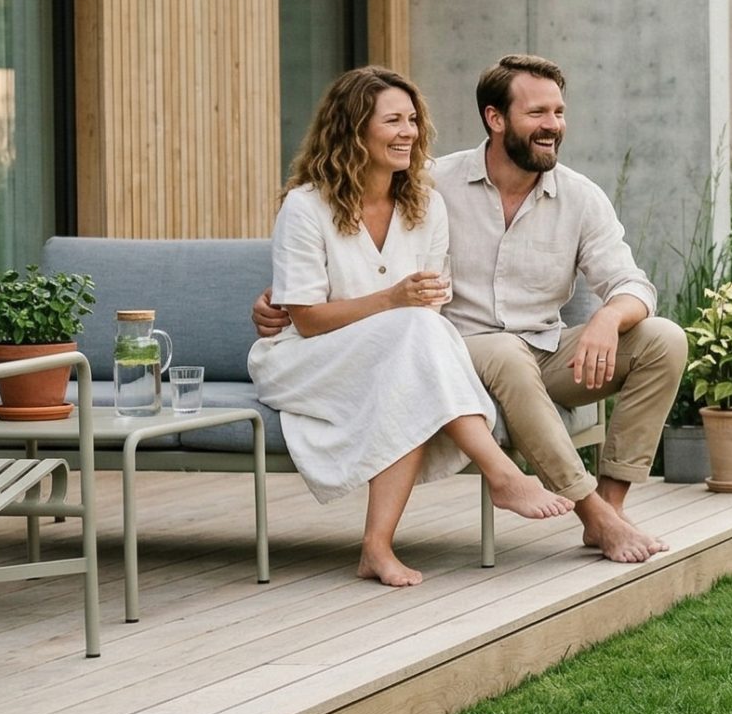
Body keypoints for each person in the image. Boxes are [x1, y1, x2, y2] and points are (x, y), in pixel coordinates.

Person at [257, 54, 687, 564]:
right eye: (537, 114)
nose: (553, 126)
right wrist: (275, 300)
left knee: (664, 338)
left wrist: (607, 318)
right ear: (495, 118)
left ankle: (609, 510)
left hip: (543, 352)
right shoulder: (435, 183)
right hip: (464, 351)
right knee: (504, 351)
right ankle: (588, 509)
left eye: (559, 112)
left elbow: (632, 282)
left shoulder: (572, 197)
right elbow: (334, 274)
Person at [252, 67, 574, 589]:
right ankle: (503, 475)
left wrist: (405, 307)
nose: (409, 132)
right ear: (354, 129)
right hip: (306, 360)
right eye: (393, 121)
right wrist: (392, 300)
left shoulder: (425, 207)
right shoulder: (306, 206)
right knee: (413, 336)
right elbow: (307, 320)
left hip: (393, 354)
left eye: (413, 120)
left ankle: (376, 548)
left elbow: (429, 310)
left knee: (412, 356)